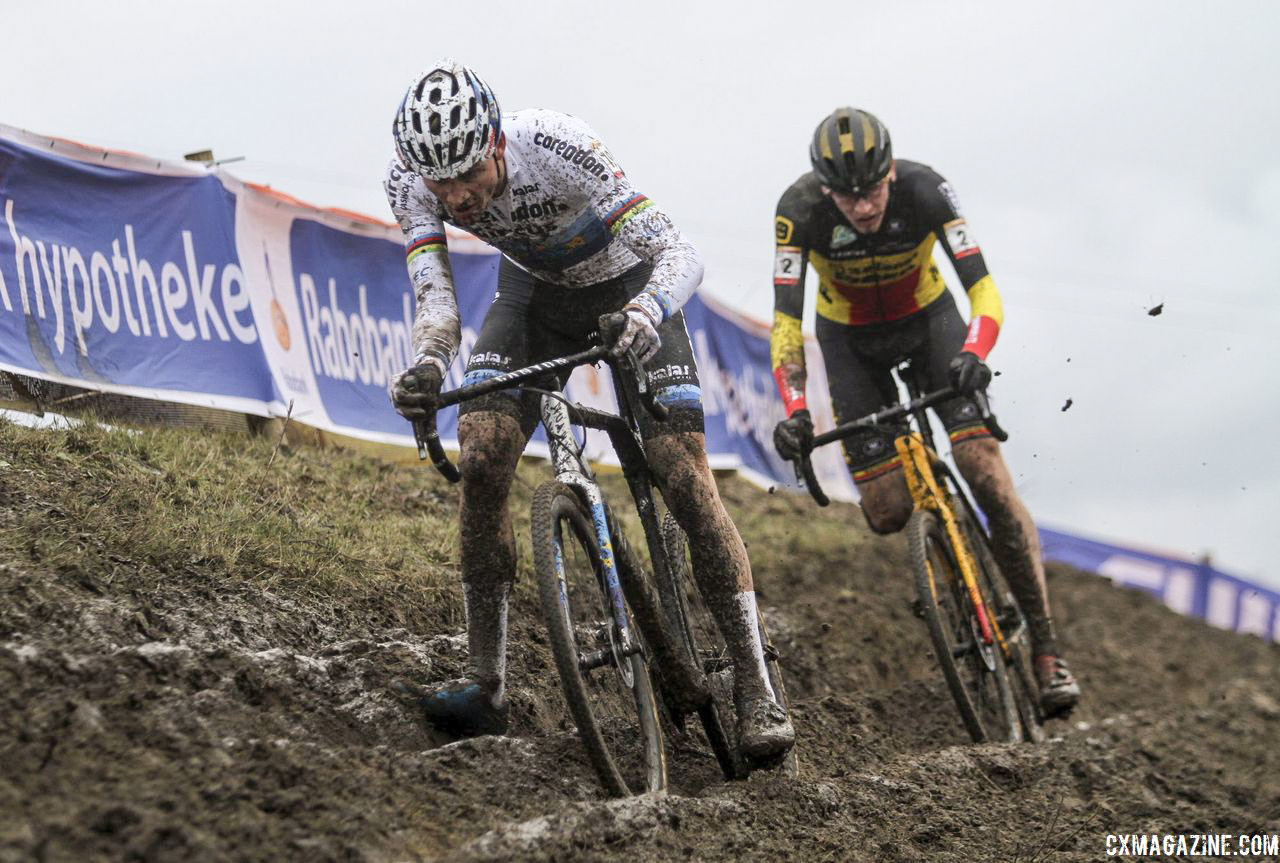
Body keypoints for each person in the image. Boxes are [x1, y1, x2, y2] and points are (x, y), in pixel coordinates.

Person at [384, 60, 794, 760]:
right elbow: (439, 301)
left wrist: (644, 310)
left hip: (630, 288)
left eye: (467, 176)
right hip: (535, 297)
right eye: (438, 183)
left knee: (682, 473)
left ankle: (757, 686)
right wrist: (426, 364)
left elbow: (678, 252)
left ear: (496, 144)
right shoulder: (407, 183)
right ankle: (486, 681)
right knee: (481, 457)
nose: (455, 198)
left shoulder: (558, 146)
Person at [769, 107, 1080, 717]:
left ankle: (1046, 651)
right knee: (885, 512)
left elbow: (983, 288)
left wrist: (974, 351)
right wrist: (797, 408)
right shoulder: (797, 212)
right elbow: (787, 322)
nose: (863, 206)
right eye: (847, 195)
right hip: (850, 342)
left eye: (874, 188)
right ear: (824, 189)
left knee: (981, 468)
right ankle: (935, 534)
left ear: (892, 170)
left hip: (931, 324)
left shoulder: (925, 188)